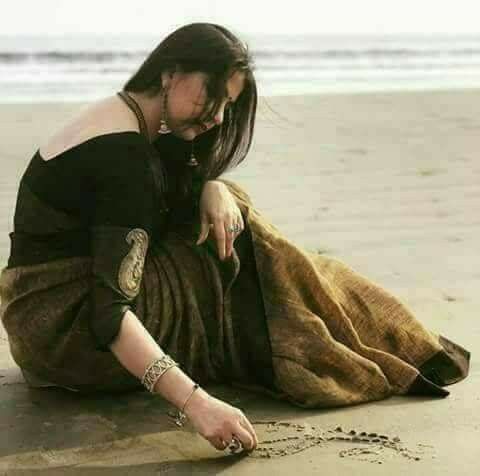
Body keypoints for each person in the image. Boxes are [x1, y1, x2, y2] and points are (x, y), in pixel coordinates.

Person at [0, 23, 470, 455]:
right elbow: (108, 314)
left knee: (232, 216)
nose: (219, 118)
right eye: (214, 98)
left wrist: (212, 185)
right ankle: (343, 342)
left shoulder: (117, 120)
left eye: (229, 106)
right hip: (70, 339)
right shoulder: (123, 159)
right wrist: (197, 404)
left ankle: (344, 329)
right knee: (243, 248)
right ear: (171, 73)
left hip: (33, 324)